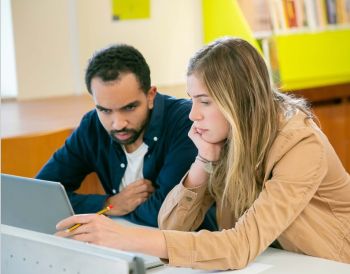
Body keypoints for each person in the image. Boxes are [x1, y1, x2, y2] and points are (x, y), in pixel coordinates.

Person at [56, 37, 350, 270]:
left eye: (204, 102)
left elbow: (240, 245)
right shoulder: (228, 136)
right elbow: (172, 226)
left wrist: (128, 238)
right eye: (191, 100)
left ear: (239, 101)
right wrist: (204, 160)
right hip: (278, 262)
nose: (193, 114)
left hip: (328, 263)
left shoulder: (300, 143)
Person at [37, 44, 217, 229]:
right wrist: (109, 205)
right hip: (123, 244)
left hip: (187, 247)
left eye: (129, 107)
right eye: (105, 110)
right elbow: (41, 194)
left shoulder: (185, 120)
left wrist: (116, 209)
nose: (118, 123)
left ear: (150, 95)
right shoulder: (93, 125)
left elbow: (167, 215)